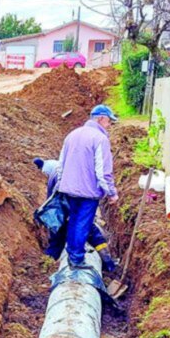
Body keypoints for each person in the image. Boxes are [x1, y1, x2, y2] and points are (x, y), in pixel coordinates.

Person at [54, 104, 119, 269]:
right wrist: (111, 193)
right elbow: (103, 172)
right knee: (83, 223)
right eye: (109, 121)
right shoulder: (100, 139)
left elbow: (61, 164)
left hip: (68, 188)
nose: (109, 125)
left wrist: (61, 184)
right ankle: (76, 258)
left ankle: (72, 254)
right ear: (101, 118)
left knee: (74, 220)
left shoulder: (72, 135)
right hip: (87, 191)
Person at [33, 157, 116, 272]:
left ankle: (49, 261)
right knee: (87, 230)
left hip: (65, 207)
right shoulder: (64, 171)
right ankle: (108, 263)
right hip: (71, 204)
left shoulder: (55, 175)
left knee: (59, 236)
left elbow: (52, 200)